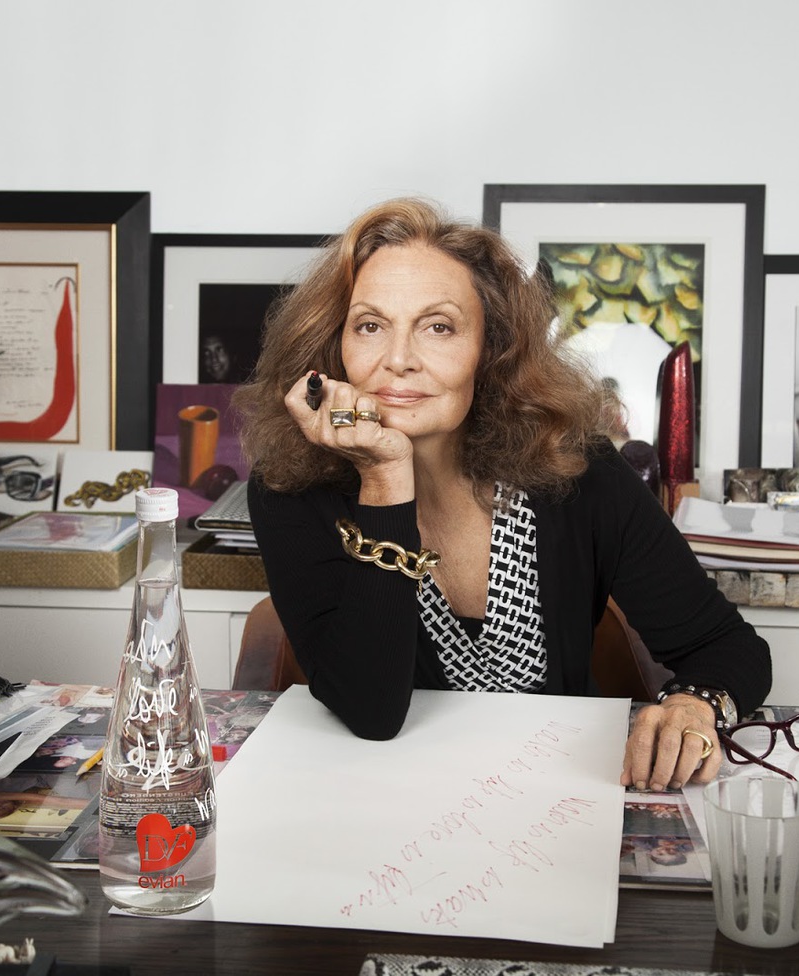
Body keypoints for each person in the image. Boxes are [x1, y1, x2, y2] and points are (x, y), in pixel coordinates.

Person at [236, 198, 771, 794]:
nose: (398, 360)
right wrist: (385, 478)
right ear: (334, 347)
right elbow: (370, 711)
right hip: (383, 801)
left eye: (438, 327)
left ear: (491, 348)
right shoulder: (290, 489)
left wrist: (695, 706)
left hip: (564, 797)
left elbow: (726, 647)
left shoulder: (580, 471)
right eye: (370, 326)